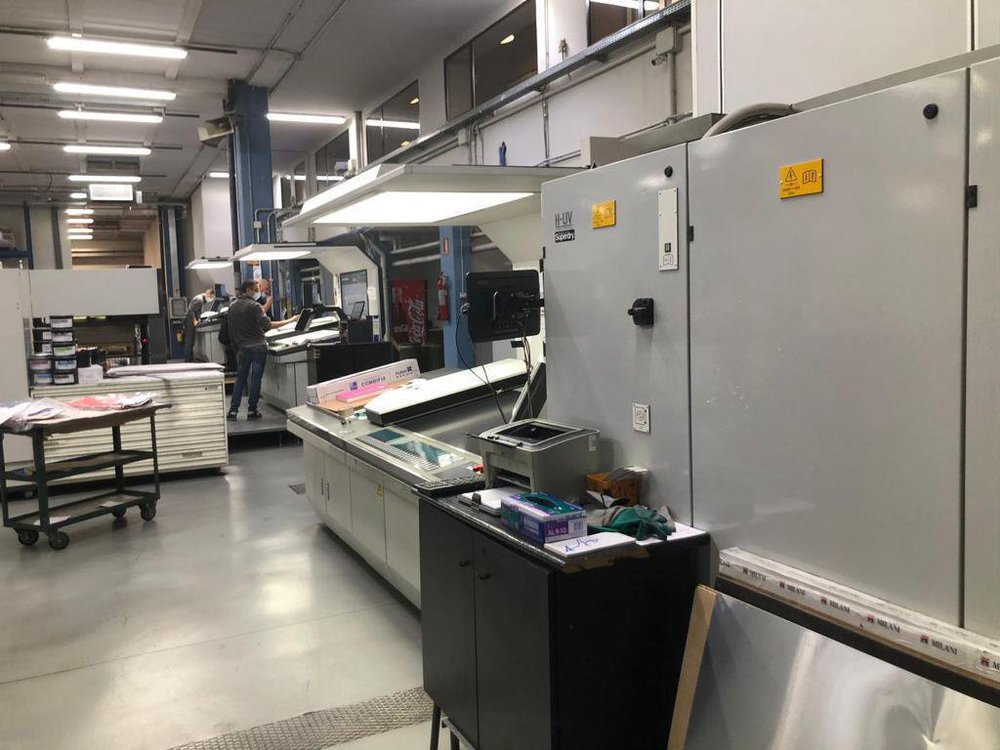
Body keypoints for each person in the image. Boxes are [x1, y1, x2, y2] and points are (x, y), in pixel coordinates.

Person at [227, 280, 297, 420]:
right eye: (255, 289)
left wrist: (237, 345)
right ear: (247, 290)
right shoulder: (255, 306)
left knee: (240, 379)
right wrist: (291, 320)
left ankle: (233, 410)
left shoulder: (232, 306)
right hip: (258, 347)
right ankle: (252, 411)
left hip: (242, 348)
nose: (257, 292)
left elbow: (231, 328)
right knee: (256, 379)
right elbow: (267, 325)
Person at [183, 288, 215, 362]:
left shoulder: (202, 300)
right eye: (211, 297)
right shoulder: (199, 300)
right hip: (189, 320)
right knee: (190, 339)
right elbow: (191, 310)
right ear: (208, 294)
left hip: (191, 319)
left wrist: (199, 319)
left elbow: (198, 311)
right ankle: (188, 358)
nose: (211, 299)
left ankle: (190, 357)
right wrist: (195, 320)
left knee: (191, 339)